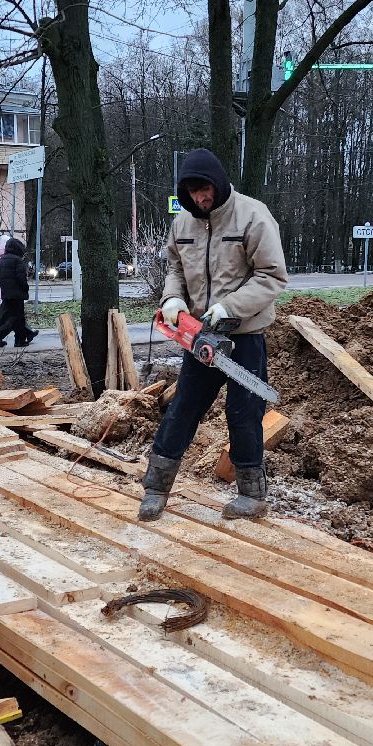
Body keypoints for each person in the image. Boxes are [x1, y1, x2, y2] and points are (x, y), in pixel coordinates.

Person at [138, 148, 288, 521]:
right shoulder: (183, 223)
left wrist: (230, 307)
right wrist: (173, 297)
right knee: (183, 408)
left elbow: (272, 276)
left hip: (245, 334)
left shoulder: (253, 215)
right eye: (191, 193)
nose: (199, 199)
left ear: (218, 184)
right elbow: (174, 265)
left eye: (204, 191)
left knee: (245, 412)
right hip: (200, 337)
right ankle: (155, 489)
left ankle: (252, 495)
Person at [0, 237, 38, 348]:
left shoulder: (2, 259)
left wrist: (4, 288)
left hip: (6, 294)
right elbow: (21, 279)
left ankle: (22, 337)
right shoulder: (18, 261)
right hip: (17, 295)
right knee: (15, 318)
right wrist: (25, 289)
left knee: (7, 316)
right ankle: (0, 336)